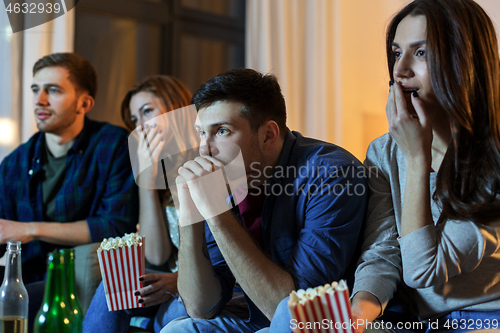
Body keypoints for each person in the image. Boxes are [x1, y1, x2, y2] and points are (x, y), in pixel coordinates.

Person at [161, 68, 368, 332]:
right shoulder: (229, 177)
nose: (204, 149)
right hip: (256, 319)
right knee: (177, 330)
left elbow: (291, 313)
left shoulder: (331, 174)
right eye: (202, 132)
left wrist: (215, 211)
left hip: (320, 323)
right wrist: (189, 213)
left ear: (268, 134)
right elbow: (202, 307)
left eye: (222, 131)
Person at [351, 0, 500, 332]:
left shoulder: (493, 157)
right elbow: (383, 249)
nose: (400, 70)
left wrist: (417, 160)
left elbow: (423, 269)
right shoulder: (384, 151)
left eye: (421, 53)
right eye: (396, 52)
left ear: (465, 62)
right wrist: (356, 316)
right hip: (424, 322)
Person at [0, 52, 138, 331]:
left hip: (89, 287)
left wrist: (30, 229)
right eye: (36, 89)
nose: (40, 100)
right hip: (26, 285)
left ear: (84, 103)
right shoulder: (14, 163)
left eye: (53, 90)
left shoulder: (113, 145)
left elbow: (115, 226)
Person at [83, 75, 197, 333]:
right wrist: (146, 180)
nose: (140, 126)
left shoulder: (208, 162)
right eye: (134, 120)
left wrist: (179, 281)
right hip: (170, 285)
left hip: (199, 287)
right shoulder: (160, 176)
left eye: (147, 111)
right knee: (113, 284)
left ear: (177, 109)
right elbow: (156, 255)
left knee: (165, 317)